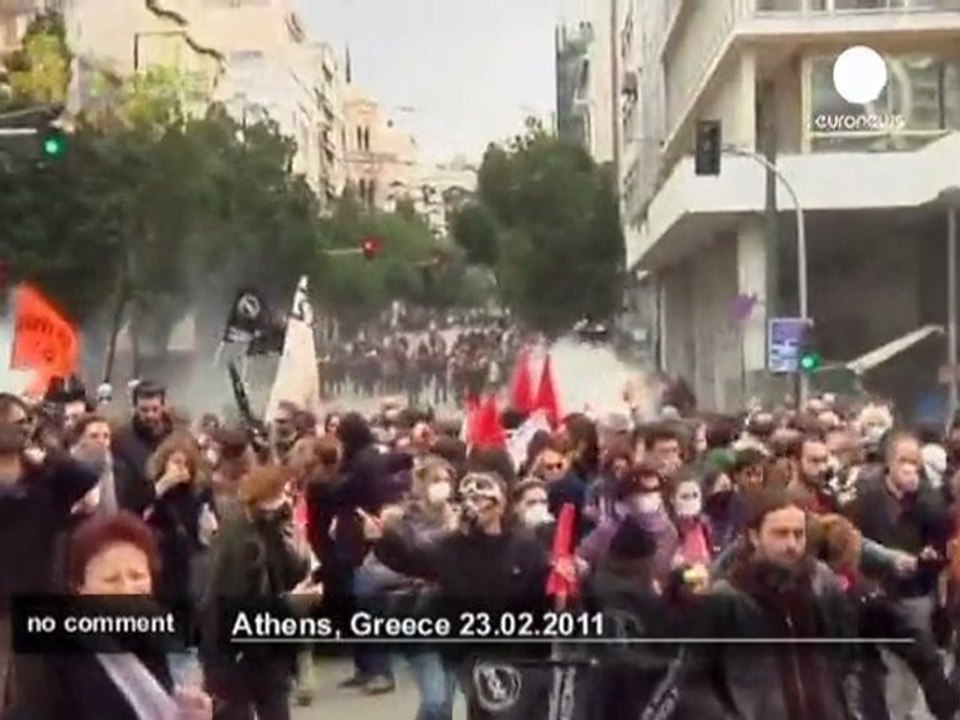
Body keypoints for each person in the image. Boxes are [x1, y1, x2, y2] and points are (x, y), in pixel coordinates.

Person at [12, 512, 213, 719]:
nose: (126, 589)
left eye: (137, 576)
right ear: (80, 588)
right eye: (111, 580)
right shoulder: (53, 656)